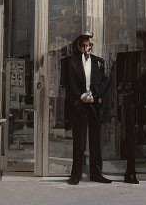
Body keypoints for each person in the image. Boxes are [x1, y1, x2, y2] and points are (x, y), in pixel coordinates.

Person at [62, 33, 112, 184]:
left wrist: (96, 96)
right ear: (77, 46)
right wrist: (81, 97)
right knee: (79, 141)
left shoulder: (99, 62)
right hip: (79, 105)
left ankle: (96, 173)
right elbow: (68, 84)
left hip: (94, 105)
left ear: (91, 45)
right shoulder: (70, 62)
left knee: (95, 140)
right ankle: (76, 174)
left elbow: (105, 82)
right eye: (82, 45)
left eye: (87, 45)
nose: (85, 48)